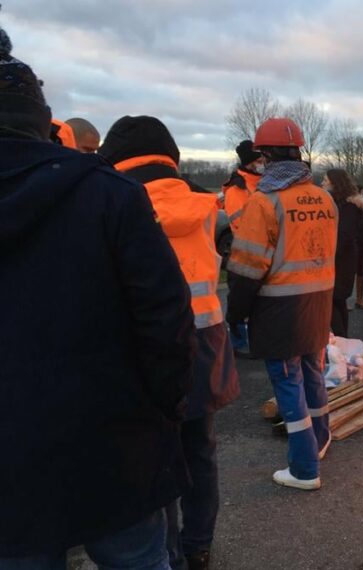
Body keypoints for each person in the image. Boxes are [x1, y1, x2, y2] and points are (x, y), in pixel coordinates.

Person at [0, 28, 195, 568]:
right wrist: (166, 405)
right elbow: (166, 317)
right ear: (42, 122)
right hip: (114, 445)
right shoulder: (107, 193)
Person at [101, 115, 240, 570]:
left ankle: (169, 553)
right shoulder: (205, 203)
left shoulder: (115, 201)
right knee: (200, 447)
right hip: (204, 338)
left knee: (154, 457)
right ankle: (198, 542)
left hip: (142, 345)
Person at [226, 117, 337, 491]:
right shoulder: (324, 198)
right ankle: (321, 441)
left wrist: (236, 314)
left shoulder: (265, 201)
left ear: (265, 156)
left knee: (288, 383)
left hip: (279, 308)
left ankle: (304, 469)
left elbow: (245, 268)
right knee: (313, 374)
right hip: (319, 302)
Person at [222, 140, 264, 358]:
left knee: (258, 299)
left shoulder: (261, 182)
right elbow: (240, 223)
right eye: (258, 160)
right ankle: (238, 341)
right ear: (248, 163)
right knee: (240, 299)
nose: (262, 163)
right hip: (245, 251)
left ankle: (253, 338)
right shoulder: (237, 187)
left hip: (261, 250)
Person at [323, 169, 363, 338]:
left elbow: (344, 235)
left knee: (333, 299)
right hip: (344, 258)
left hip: (341, 260)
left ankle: (341, 339)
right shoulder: (344, 205)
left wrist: (330, 254)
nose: (322, 183)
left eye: (326, 180)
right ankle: (343, 339)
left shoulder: (347, 207)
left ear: (336, 184)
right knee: (338, 300)